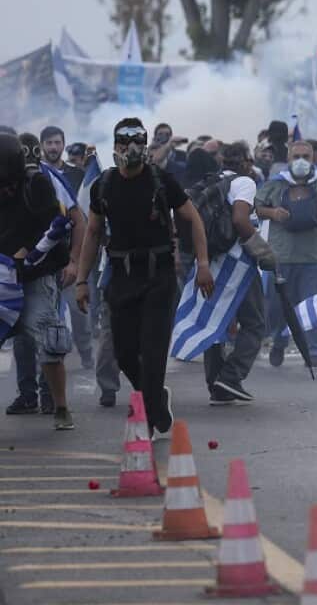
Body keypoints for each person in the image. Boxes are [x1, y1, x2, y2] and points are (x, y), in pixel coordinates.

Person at [76, 118, 215, 436]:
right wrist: (82, 281)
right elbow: (93, 233)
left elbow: (193, 219)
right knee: (124, 353)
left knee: (152, 353)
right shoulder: (104, 185)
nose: (131, 150)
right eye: (125, 144)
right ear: (114, 148)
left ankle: (149, 421)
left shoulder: (162, 181)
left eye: (138, 142)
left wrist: (203, 264)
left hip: (159, 277)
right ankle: (156, 399)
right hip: (121, 278)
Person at [0, 133, 75, 429]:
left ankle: (61, 407)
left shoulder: (37, 185)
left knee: (50, 341)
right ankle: (31, 395)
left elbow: (56, 224)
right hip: (2, 278)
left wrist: (27, 252)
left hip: (35, 277)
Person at [255, 140, 317, 369]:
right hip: (282, 256)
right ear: (288, 158)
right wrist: (272, 212)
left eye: (306, 156)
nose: (301, 161)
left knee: (314, 306)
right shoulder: (276, 184)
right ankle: (279, 341)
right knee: (279, 307)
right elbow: (256, 207)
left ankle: (314, 351)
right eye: (296, 156)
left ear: (314, 158)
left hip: (314, 257)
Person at [204, 141, 275, 405]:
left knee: (216, 325)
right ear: (245, 161)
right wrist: (262, 250)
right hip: (238, 265)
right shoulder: (244, 182)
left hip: (211, 263)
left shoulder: (211, 182)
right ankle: (231, 377)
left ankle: (216, 385)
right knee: (255, 323)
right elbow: (240, 220)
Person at [41, 126, 85, 192]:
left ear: (63, 144)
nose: (53, 147)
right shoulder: (35, 174)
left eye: (57, 142)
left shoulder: (78, 175)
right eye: (49, 143)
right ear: (41, 145)